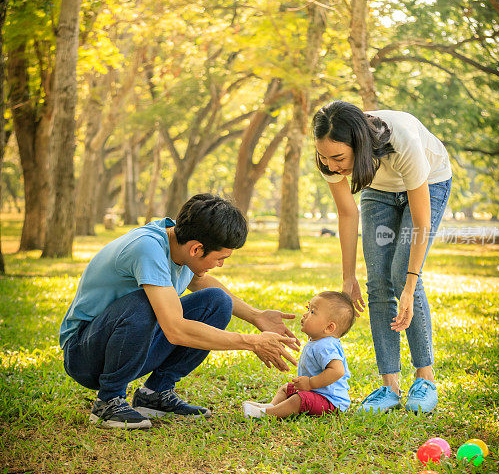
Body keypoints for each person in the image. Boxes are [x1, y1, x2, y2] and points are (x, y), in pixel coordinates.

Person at [60, 194, 299, 430]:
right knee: (146, 302)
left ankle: (155, 394)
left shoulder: (180, 243)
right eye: (220, 258)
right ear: (196, 249)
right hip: (85, 354)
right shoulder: (147, 249)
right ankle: (109, 401)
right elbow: (174, 329)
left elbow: (204, 285)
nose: (221, 265)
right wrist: (252, 342)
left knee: (218, 301)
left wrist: (256, 316)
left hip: (129, 346)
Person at [312, 102, 452, 415]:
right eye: (324, 157)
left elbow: (421, 223)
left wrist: (410, 283)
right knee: (377, 281)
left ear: (360, 146)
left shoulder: (403, 141)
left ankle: (425, 380)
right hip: (378, 190)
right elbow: (347, 213)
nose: (332, 166)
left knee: (402, 275)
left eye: (338, 158)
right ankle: (389, 385)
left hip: (430, 182)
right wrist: (348, 277)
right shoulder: (328, 159)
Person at [242, 291, 354, 419]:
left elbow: (338, 371)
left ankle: (266, 414)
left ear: (329, 327)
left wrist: (310, 383)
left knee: (299, 400)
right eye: (308, 309)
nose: (305, 314)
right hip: (316, 394)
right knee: (286, 389)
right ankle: (271, 407)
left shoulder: (326, 346)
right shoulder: (318, 341)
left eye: (312, 312)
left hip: (331, 402)